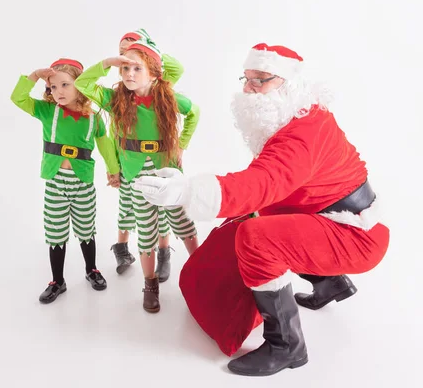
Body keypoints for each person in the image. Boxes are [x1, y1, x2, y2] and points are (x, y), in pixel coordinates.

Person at [133, 43, 389, 375]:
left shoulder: (303, 134)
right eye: (247, 78)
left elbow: (263, 182)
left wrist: (186, 191)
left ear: (289, 84)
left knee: (258, 238)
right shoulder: (296, 118)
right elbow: (270, 187)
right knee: (257, 215)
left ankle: (286, 346)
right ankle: (330, 285)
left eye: (261, 80)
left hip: (355, 235)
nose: (248, 89)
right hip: (334, 219)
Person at [75, 36, 200, 312]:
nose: (129, 74)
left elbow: (195, 112)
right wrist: (108, 63)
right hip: (135, 173)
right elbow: (82, 84)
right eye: (125, 69)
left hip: (166, 168)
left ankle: (202, 272)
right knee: (146, 230)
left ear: (153, 72)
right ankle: (150, 283)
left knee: (182, 221)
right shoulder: (114, 99)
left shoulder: (167, 97)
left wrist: (182, 144)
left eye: (137, 68)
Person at [10, 58, 119, 304]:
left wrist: (114, 171)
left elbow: (105, 145)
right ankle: (57, 281)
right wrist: (34, 75)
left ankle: (91, 269)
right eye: (52, 87)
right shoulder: (47, 111)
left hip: (83, 183)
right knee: (56, 231)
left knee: (86, 228)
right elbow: (18, 98)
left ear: (80, 85)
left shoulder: (94, 118)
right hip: (56, 182)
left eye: (64, 85)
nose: (57, 91)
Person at [110, 28, 186, 283]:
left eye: (132, 54)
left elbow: (175, 69)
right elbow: (110, 134)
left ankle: (163, 252)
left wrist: (147, 47)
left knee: (160, 209)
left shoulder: (156, 86)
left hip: (158, 157)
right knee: (127, 207)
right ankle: (122, 248)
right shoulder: (119, 92)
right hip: (126, 158)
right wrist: (113, 164)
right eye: (122, 55)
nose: (126, 61)